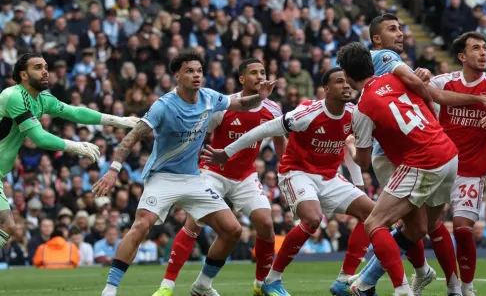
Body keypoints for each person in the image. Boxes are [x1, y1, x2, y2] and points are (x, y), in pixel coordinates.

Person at [93, 50, 275, 296]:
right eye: (190, 71)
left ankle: (202, 286)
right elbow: (133, 136)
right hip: (162, 176)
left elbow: (241, 104)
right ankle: (110, 289)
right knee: (141, 226)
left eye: (199, 70)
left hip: (193, 178)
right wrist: (113, 170)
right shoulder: (163, 105)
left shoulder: (210, 98)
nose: (196, 75)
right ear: (177, 75)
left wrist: (260, 97)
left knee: (233, 231)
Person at [349, 14, 486, 296]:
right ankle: (427, 280)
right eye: (392, 29)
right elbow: (432, 94)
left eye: (401, 28)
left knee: (415, 224)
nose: (400, 33)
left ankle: (398, 280)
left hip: (413, 152)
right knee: (417, 225)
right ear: (376, 39)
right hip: (401, 152)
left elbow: (425, 91)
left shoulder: (385, 76)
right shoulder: (385, 58)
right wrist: (428, 98)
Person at [204, 68, 372, 296]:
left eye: (347, 82)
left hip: (330, 176)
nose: (346, 86)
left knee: (373, 215)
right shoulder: (306, 112)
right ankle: (272, 280)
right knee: (312, 219)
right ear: (327, 88)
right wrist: (227, 152)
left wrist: (359, 185)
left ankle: (343, 280)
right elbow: (264, 129)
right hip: (297, 171)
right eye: (339, 81)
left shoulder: (354, 114)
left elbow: (346, 144)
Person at [153, 58, 287, 296]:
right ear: (242, 79)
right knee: (193, 223)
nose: (259, 77)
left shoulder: (273, 110)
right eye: (253, 73)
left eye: (263, 72)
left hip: (245, 176)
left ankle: (259, 286)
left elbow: (280, 143)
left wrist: (287, 171)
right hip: (212, 173)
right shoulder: (225, 106)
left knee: (266, 224)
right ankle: (166, 286)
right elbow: (197, 135)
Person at [336, 42, 459, 296]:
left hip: (423, 162)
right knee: (419, 228)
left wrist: (349, 144)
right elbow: (424, 92)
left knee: (374, 223)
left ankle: (402, 289)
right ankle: (453, 288)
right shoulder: (396, 78)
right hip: (448, 154)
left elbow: (363, 161)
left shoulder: (362, 109)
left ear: (346, 76)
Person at [0, 52, 138, 251]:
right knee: (7, 226)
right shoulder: (14, 96)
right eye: (38, 67)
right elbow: (40, 138)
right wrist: (76, 146)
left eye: (46, 66)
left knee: (8, 227)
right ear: (23, 75)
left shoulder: (42, 98)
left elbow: (75, 112)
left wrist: (119, 120)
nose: (45, 71)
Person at [428, 32, 486, 296]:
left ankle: (466, 288)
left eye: (485, 48)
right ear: (462, 57)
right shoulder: (443, 82)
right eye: (476, 48)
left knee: (464, 229)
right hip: (440, 165)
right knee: (424, 227)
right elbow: (424, 93)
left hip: (472, 170)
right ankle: (450, 282)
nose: (483, 53)